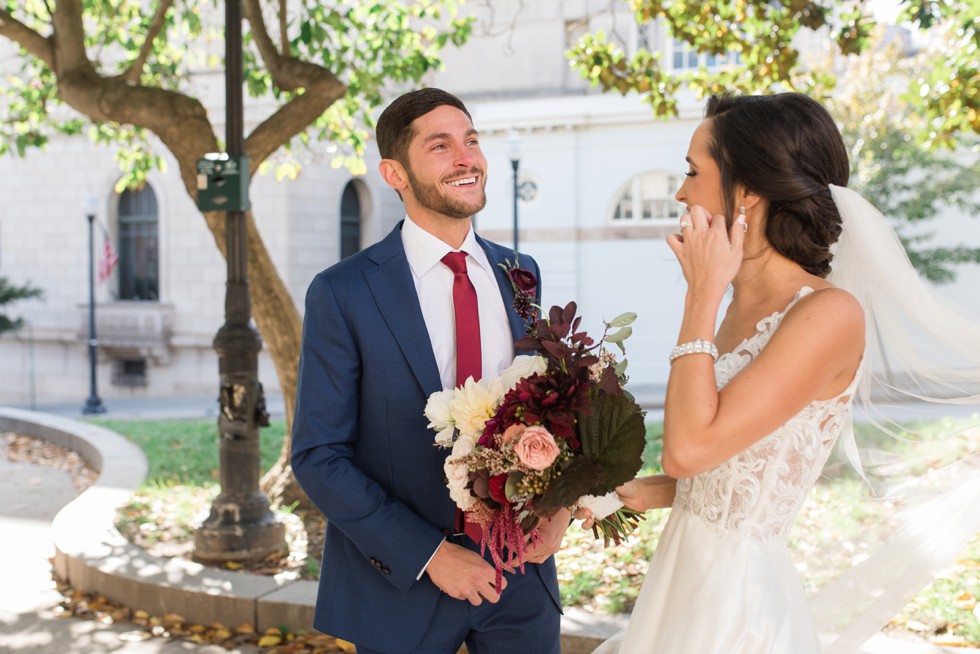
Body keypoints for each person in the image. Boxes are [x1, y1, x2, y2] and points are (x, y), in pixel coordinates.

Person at [291, 87, 567, 654]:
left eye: (470, 141)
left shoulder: (523, 275)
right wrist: (430, 555)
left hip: (522, 576)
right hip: (403, 585)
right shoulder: (342, 292)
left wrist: (559, 508)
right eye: (440, 146)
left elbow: (552, 409)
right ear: (395, 173)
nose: (467, 158)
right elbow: (319, 456)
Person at [591, 92, 869, 654]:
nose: (680, 192)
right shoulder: (742, 308)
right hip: (681, 578)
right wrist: (654, 491)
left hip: (736, 605)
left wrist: (702, 293)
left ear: (746, 191)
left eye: (693, 172)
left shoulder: (828, 315)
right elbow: (724, 457)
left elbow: (688, 449)